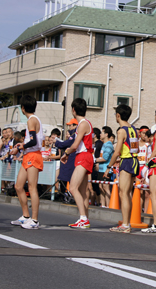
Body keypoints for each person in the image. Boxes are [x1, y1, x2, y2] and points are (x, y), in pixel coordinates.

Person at [10, 95, 44, 229]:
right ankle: (25, 216)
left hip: (34, 156)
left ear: (23, 108)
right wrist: (20, 147)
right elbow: (31, 140)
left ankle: (34, 220)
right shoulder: (33, 119)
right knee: (18, 186)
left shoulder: (32, 120)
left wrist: (22, 146)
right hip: (28, 155)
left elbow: (34, 141)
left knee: (32, 187)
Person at [103, 105, 139, 233]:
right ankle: (126, 223)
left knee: (123, 194)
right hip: (134, 160)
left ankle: (125, 224)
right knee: (128, 194)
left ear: (118, 115)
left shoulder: (121, 131)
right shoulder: (134, 129)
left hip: (127, 161)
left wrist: (109, 167)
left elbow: (116, 151)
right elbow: (134, 148)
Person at [60, 98, 94, 229]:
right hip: (86, 156)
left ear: (73, 110)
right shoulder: (86, 123)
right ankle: (85, 218)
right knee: (82, 191)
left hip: (83, 156)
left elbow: (75, 144)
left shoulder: (82, 124)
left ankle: (83, 218)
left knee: (73, 188)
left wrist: (66, 154)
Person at [95, 126, 114, 207]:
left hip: (106, 169)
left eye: (102, 132)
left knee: (106, 187)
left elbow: (105, 158)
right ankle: (103, 205)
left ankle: (109, 205)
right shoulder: (104, 144)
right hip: (101, 169)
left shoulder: (109, 144)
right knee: (100, 186)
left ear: (106, 134)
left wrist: (95, 160)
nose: (100, 134)